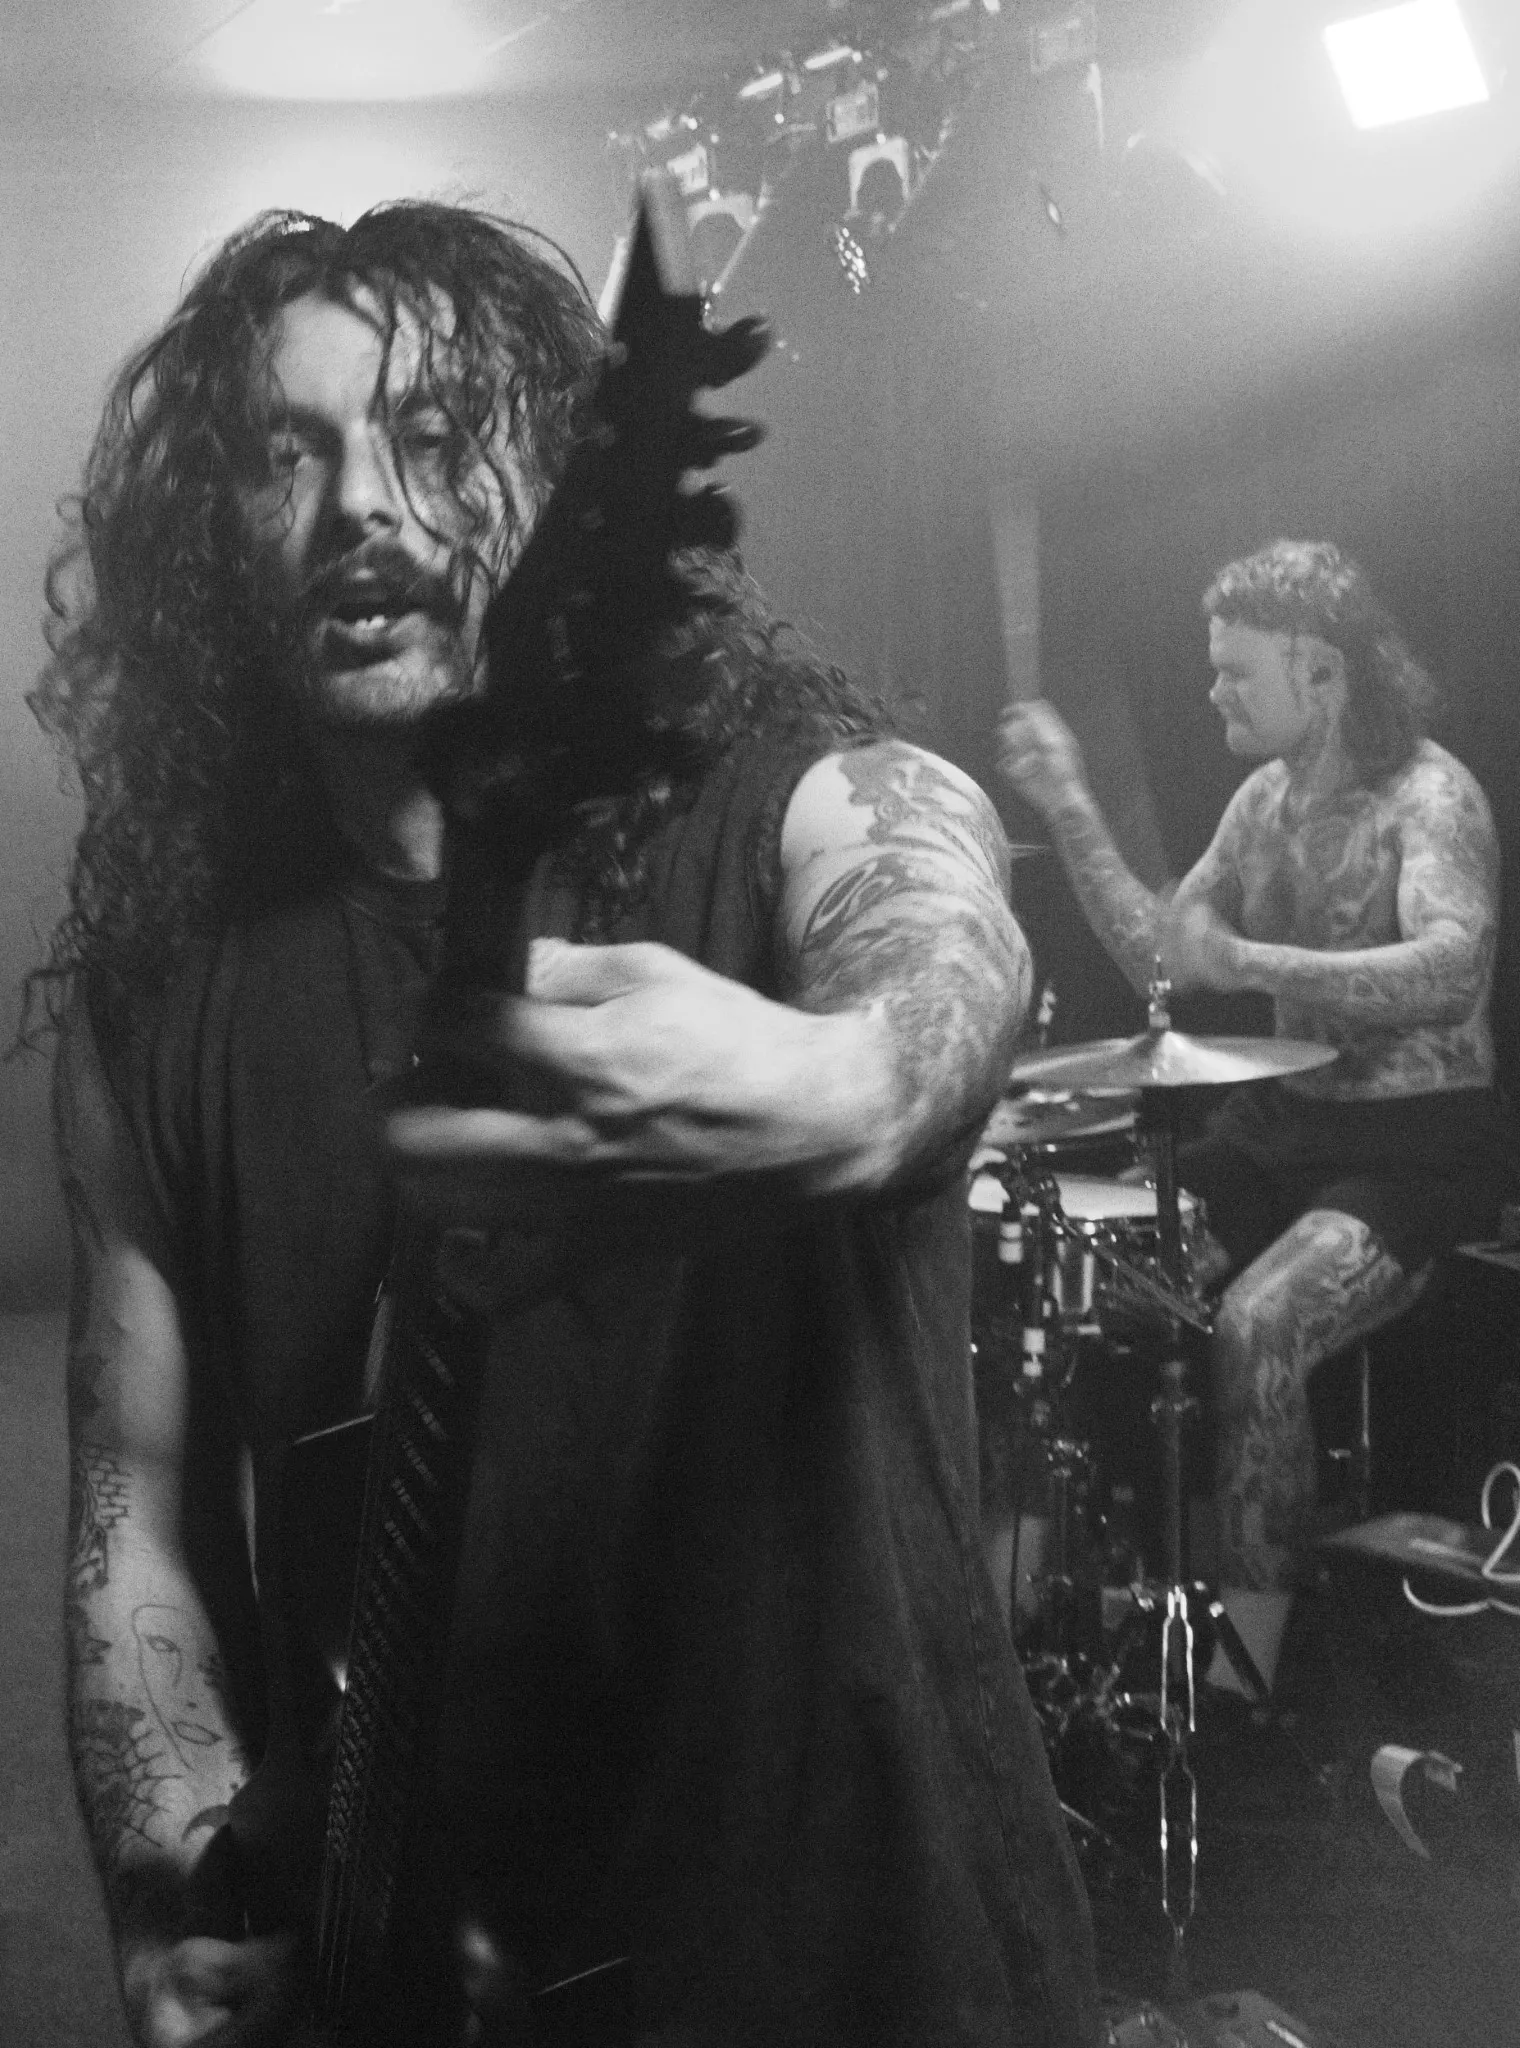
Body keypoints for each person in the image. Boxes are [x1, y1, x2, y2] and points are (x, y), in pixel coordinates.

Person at [31, 200, 1099, 2046]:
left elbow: (934, 924)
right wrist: (170, 1900)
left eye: (435, 437)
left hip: (862, 1959)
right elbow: (138, 1523)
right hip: (417, 1975)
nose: (364, 506)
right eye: (287, 455)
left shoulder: (789, 809)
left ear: (553, 485)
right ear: (215, 532)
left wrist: (850, 1087)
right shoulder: (152, 1014)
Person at [997, 538, 1511, 1702]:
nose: (1213, 690)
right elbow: (1162, 955)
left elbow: (1450, 965)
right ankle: (1049, 1607)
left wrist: (1253, 959)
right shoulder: (1258, 803)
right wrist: (1069, 801)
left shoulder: (1427, 794)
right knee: (1088, 1269)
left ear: (1319, 670)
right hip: (1283, 1126)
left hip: (1417, 1141)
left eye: (1236, 670)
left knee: (1259, 1321)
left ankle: (1244, 1674)